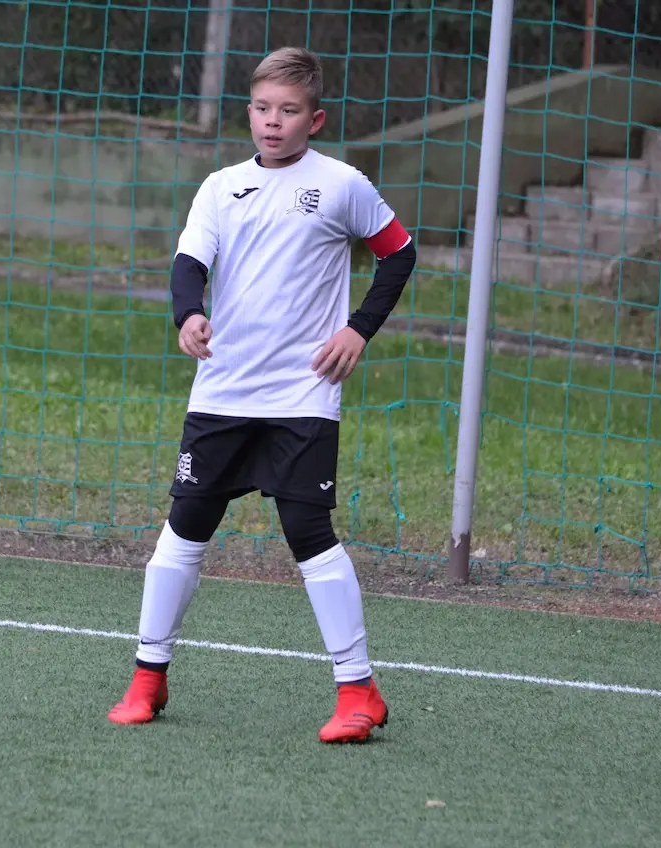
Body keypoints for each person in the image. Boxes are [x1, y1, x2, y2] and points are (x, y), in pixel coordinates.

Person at [107, 46, 417, 744]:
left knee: (309, 534)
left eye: (289, 111)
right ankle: (147, 677)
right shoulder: (221, 187)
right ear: (248, 112)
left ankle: (358, 690)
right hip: (222, 391)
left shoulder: (341, 184)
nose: (273, 122)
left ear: (315, 120)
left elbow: (399, 252)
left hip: (302, 395)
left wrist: (358, 329)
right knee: (185, 529)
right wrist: (188, 315)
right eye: (262, 108)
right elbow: (189, 263)